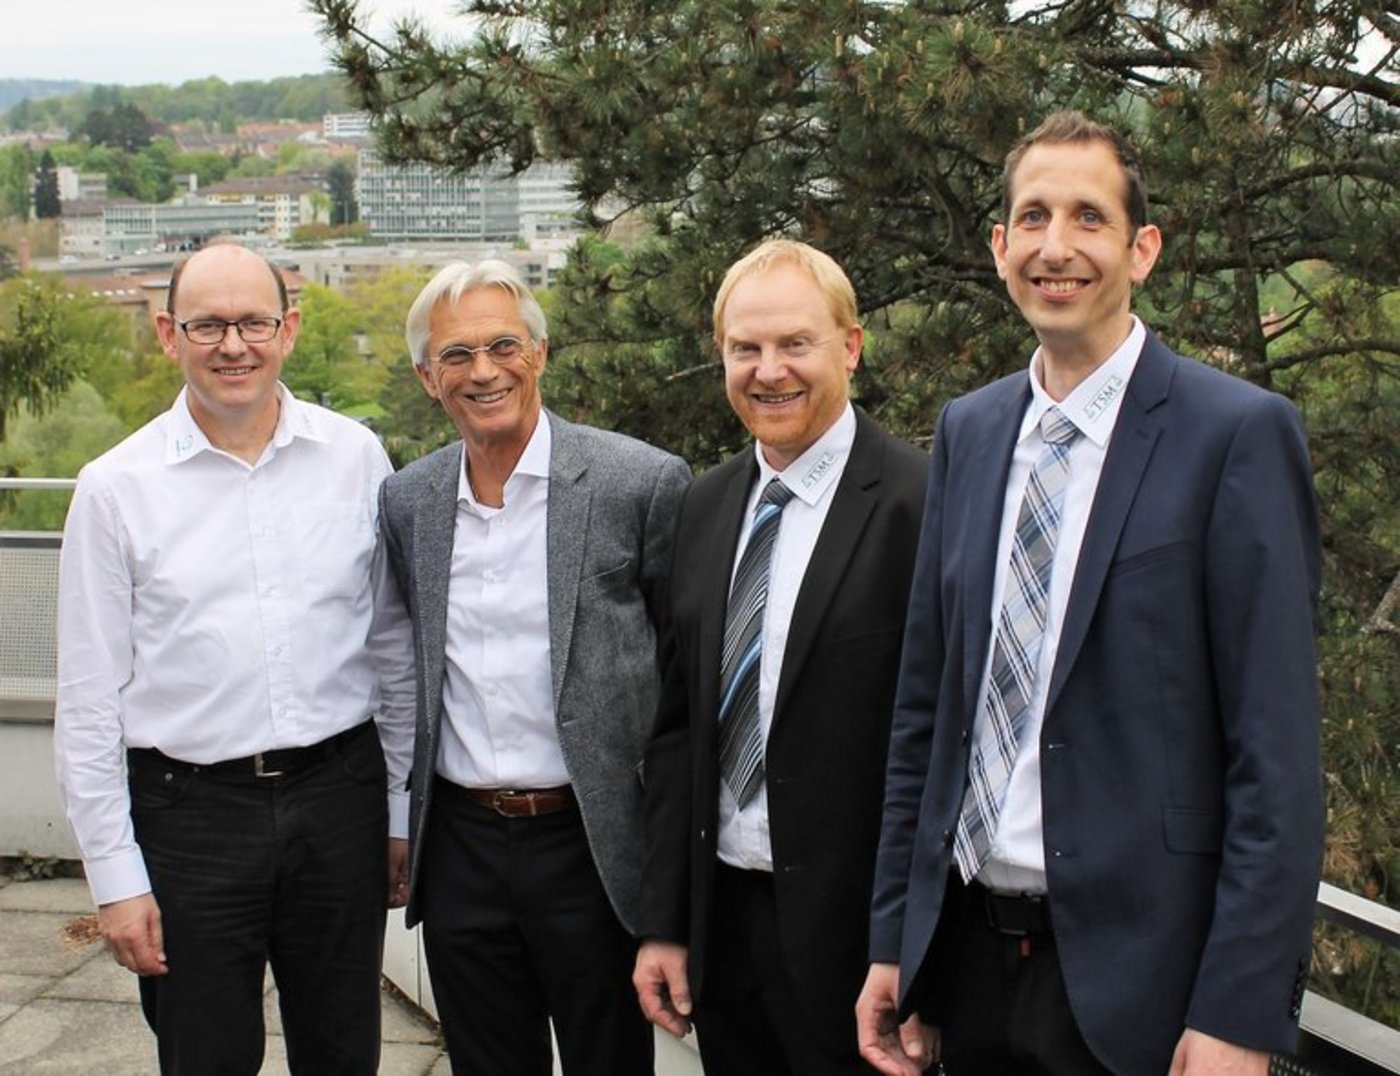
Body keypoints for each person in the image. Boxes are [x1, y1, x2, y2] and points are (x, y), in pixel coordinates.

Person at [856, 111, 1324, 1076]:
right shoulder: (971, 432)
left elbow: (1274, 762)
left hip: (1138, 988)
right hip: (967, 969)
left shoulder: (1235, 436)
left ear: (1141, 249)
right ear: (999, 248)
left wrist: (1238, 1010)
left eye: (1088, 218)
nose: (1055, 247)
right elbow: (927, 717)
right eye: (1031, 218)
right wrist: (897, 940)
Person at [55, 243, 414, 1075]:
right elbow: (88, 699)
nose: (233, 345)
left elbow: (393, 648)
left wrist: (398, 809)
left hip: (340, 799)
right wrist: (115, 876)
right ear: (166, 334)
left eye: (253, 322)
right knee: (205, 1056)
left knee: (342, 1052)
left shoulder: (355, 457)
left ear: (288, 328)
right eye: (207, 324)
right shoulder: (115, 487)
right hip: (190, 819)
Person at [378, 259, 690, 1076]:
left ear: (541, 354)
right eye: (456, 355)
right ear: (425, 377)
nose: (483, 371)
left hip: (591, 845)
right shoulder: (408, 502)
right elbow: (403, 662)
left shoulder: (640, 484)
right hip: (463, 850)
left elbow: (682, 684)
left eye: (502, 345)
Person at [632, 239, 931, 1073]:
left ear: (851, 346)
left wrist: (913, 950)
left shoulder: (920, 505)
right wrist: (666, 922)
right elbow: (679, 728)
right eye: (745, 349)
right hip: (723, 933)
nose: (769, 371)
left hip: (860, 950)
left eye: (795, 344)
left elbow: (943, 750)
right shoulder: (702, 507)